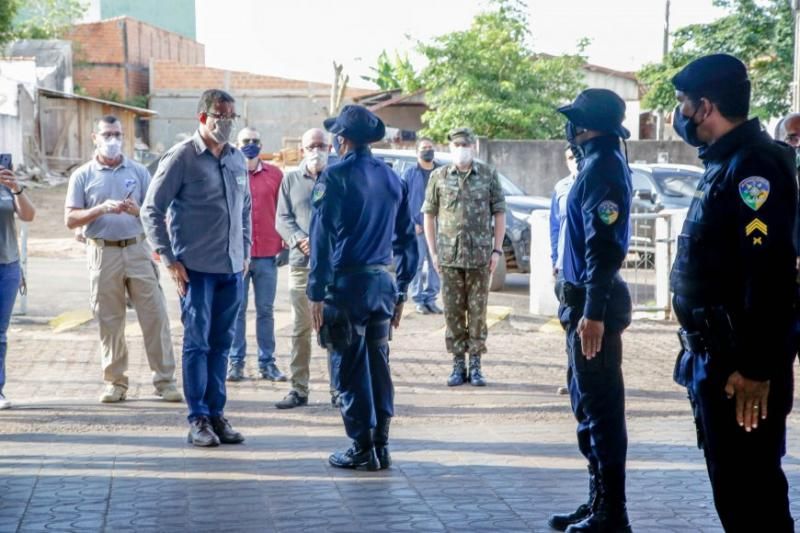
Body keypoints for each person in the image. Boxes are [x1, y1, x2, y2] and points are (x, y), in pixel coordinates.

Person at [670, 54, 796, 532]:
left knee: (753, 498)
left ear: (705, 107)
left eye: (683, 103)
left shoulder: (754, 166)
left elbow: (770, 273)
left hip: (741, 372)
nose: (679, 114)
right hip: (717, 361)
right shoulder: (725, 163)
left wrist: (757, 368)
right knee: (736, 493)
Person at [308, 105, 417, 470]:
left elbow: (320, 238)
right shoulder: (392, 177)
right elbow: (407, 240)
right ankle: (382, 445)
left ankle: (361, 446)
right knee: (378, 362)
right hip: (382, 284)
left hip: (346, 286)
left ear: (342, 139)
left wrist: (316, 292)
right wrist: (402, 289)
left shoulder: (334, 177)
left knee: (349, 366)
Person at [142, 89, 250, 448]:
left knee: (223, 345)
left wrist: (245, 250)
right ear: (203, 118)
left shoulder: (236, 159)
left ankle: (217, 415)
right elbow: (151, 210)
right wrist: (168, 259)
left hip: (232, 269)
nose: (228, 123)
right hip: (196, 270)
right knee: (197, 344)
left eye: (232, 117)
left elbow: (244, 211)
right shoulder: (182, 158)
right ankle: (198, 418)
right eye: (221, 116)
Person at [548, 89, 633, 533]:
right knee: (587, 407)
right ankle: (597, 501)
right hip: (582, 301)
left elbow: (603, 247)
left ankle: (611, 514)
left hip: (592, 304)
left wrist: (594, 311)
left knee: (601, 410)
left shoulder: (602, 167)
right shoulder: (597, 163)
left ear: (587, 124)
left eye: (575, 120)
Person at [65, 116, 181, 404]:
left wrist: (135, 210)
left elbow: (157, 213)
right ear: (95, 137)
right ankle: (115, 383)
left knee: (155, 317)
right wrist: (99, 210)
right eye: (107, 134)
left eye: (117, 134)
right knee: (109, 320)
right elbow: (70, 218)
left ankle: (164, 381)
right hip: (103, 252)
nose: (112, 139)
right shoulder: (83, 175)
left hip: (138, 250)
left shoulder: (140, 172)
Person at [422, 128, 506, 388]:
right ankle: (458, 364)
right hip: (449, 257)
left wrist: (497, 250)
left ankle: (476, 365)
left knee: (478, 313)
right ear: (449, 148)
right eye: (456, 144)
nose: (461, 149)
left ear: (474, 147)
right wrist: (433, 253)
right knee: (453, 314)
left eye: (465, 144)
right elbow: (429, 215)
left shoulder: (488, 175)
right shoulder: (439, 176)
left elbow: (499, 213)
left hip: (480, 257)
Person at [274, 128, 336, 409]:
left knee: (334, 329)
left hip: (335, 267)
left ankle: (339, 390)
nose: (316, 150)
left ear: (330, 148)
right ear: (302, 149)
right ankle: (299, 389)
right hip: (301, 266)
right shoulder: (290, 180)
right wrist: (300, 239)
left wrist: (325, 243)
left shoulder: (338, 178)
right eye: (311, 145)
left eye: (321, 145)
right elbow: (282, 218)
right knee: (301, 329)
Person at [226, 126, 287, 383]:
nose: (250, 144)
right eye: (245, 141)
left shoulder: (275, 174)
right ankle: (235, 363)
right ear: (236, 144)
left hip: (267, 254)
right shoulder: (230, 173)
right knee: (236, 310)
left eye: (255, 140)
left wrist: (285, 244)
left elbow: (284, 211)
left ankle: (267, 362)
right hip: (238, 255)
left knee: (265, 310)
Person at [0, 164, 35, 410]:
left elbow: (28, 215)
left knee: (0, 334)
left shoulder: (6, 186)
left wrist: (16, 188)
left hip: (7, 266)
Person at [401, 138, 442, 315]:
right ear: (417, 152)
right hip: (417, 227)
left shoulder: (442, 172)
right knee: (417, 263)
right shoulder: (409, 173)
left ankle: (431, 299)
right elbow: (401, 201)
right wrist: (411, 223)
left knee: (436, 263)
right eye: (424, 148)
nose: (428, 151)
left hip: (438, 227)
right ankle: (418, 299)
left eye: (430, 148)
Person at [550, 146, 579, 278]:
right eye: (570, 158)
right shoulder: (560, 188)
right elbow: (555, 226)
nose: (575, 161)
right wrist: (555, 260)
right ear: (567, 162)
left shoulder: (597, 185)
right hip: (564, 265)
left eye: (577, 156)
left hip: (589, 265)